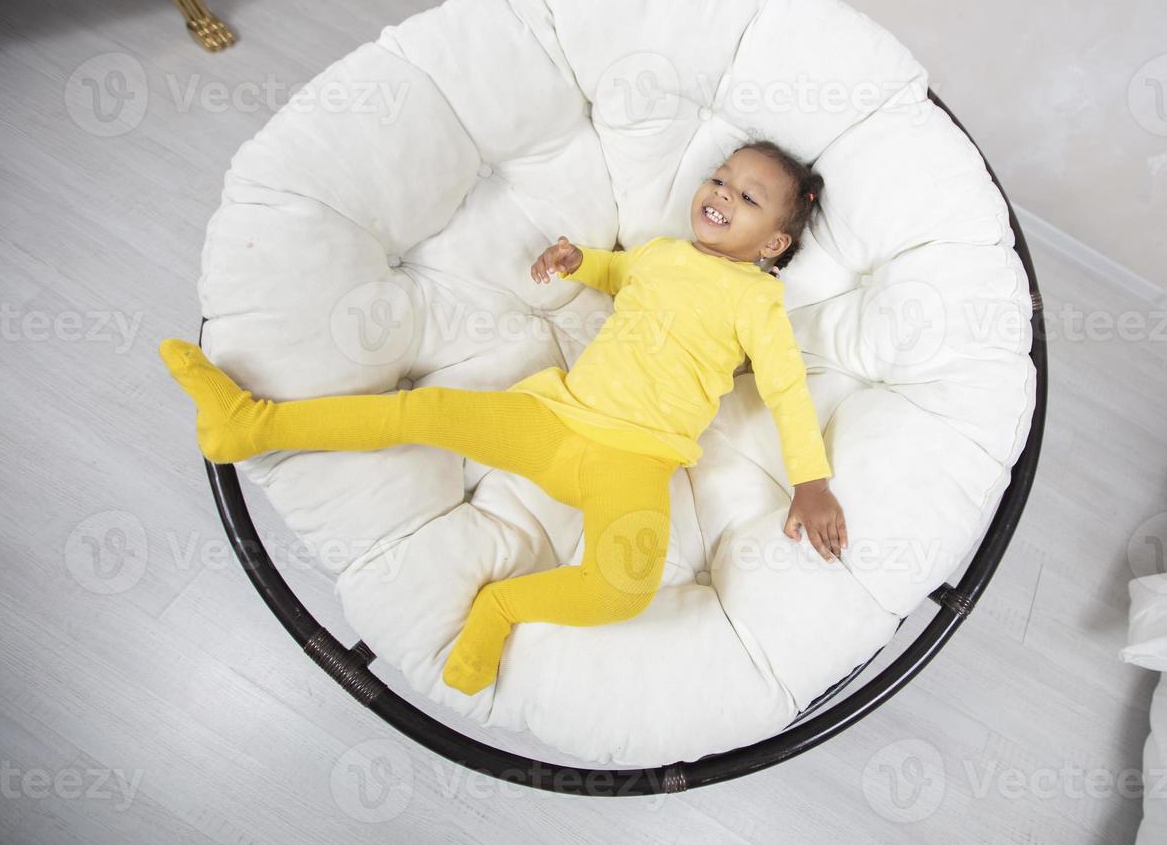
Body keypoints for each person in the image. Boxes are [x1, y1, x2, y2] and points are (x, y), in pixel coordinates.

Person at [158, 139, 847, 696]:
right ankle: (253, 426)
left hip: (634, 461)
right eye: (720, 179)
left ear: (772, 246)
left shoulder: (756, 304)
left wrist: (810, 481)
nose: (721, 195)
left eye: (747, 196)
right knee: (422, 411)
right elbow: (620, 273)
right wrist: (579, 262)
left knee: (624, 587)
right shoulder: (663, 254)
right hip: (554, 421)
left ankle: (502, 607)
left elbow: (785, 391)